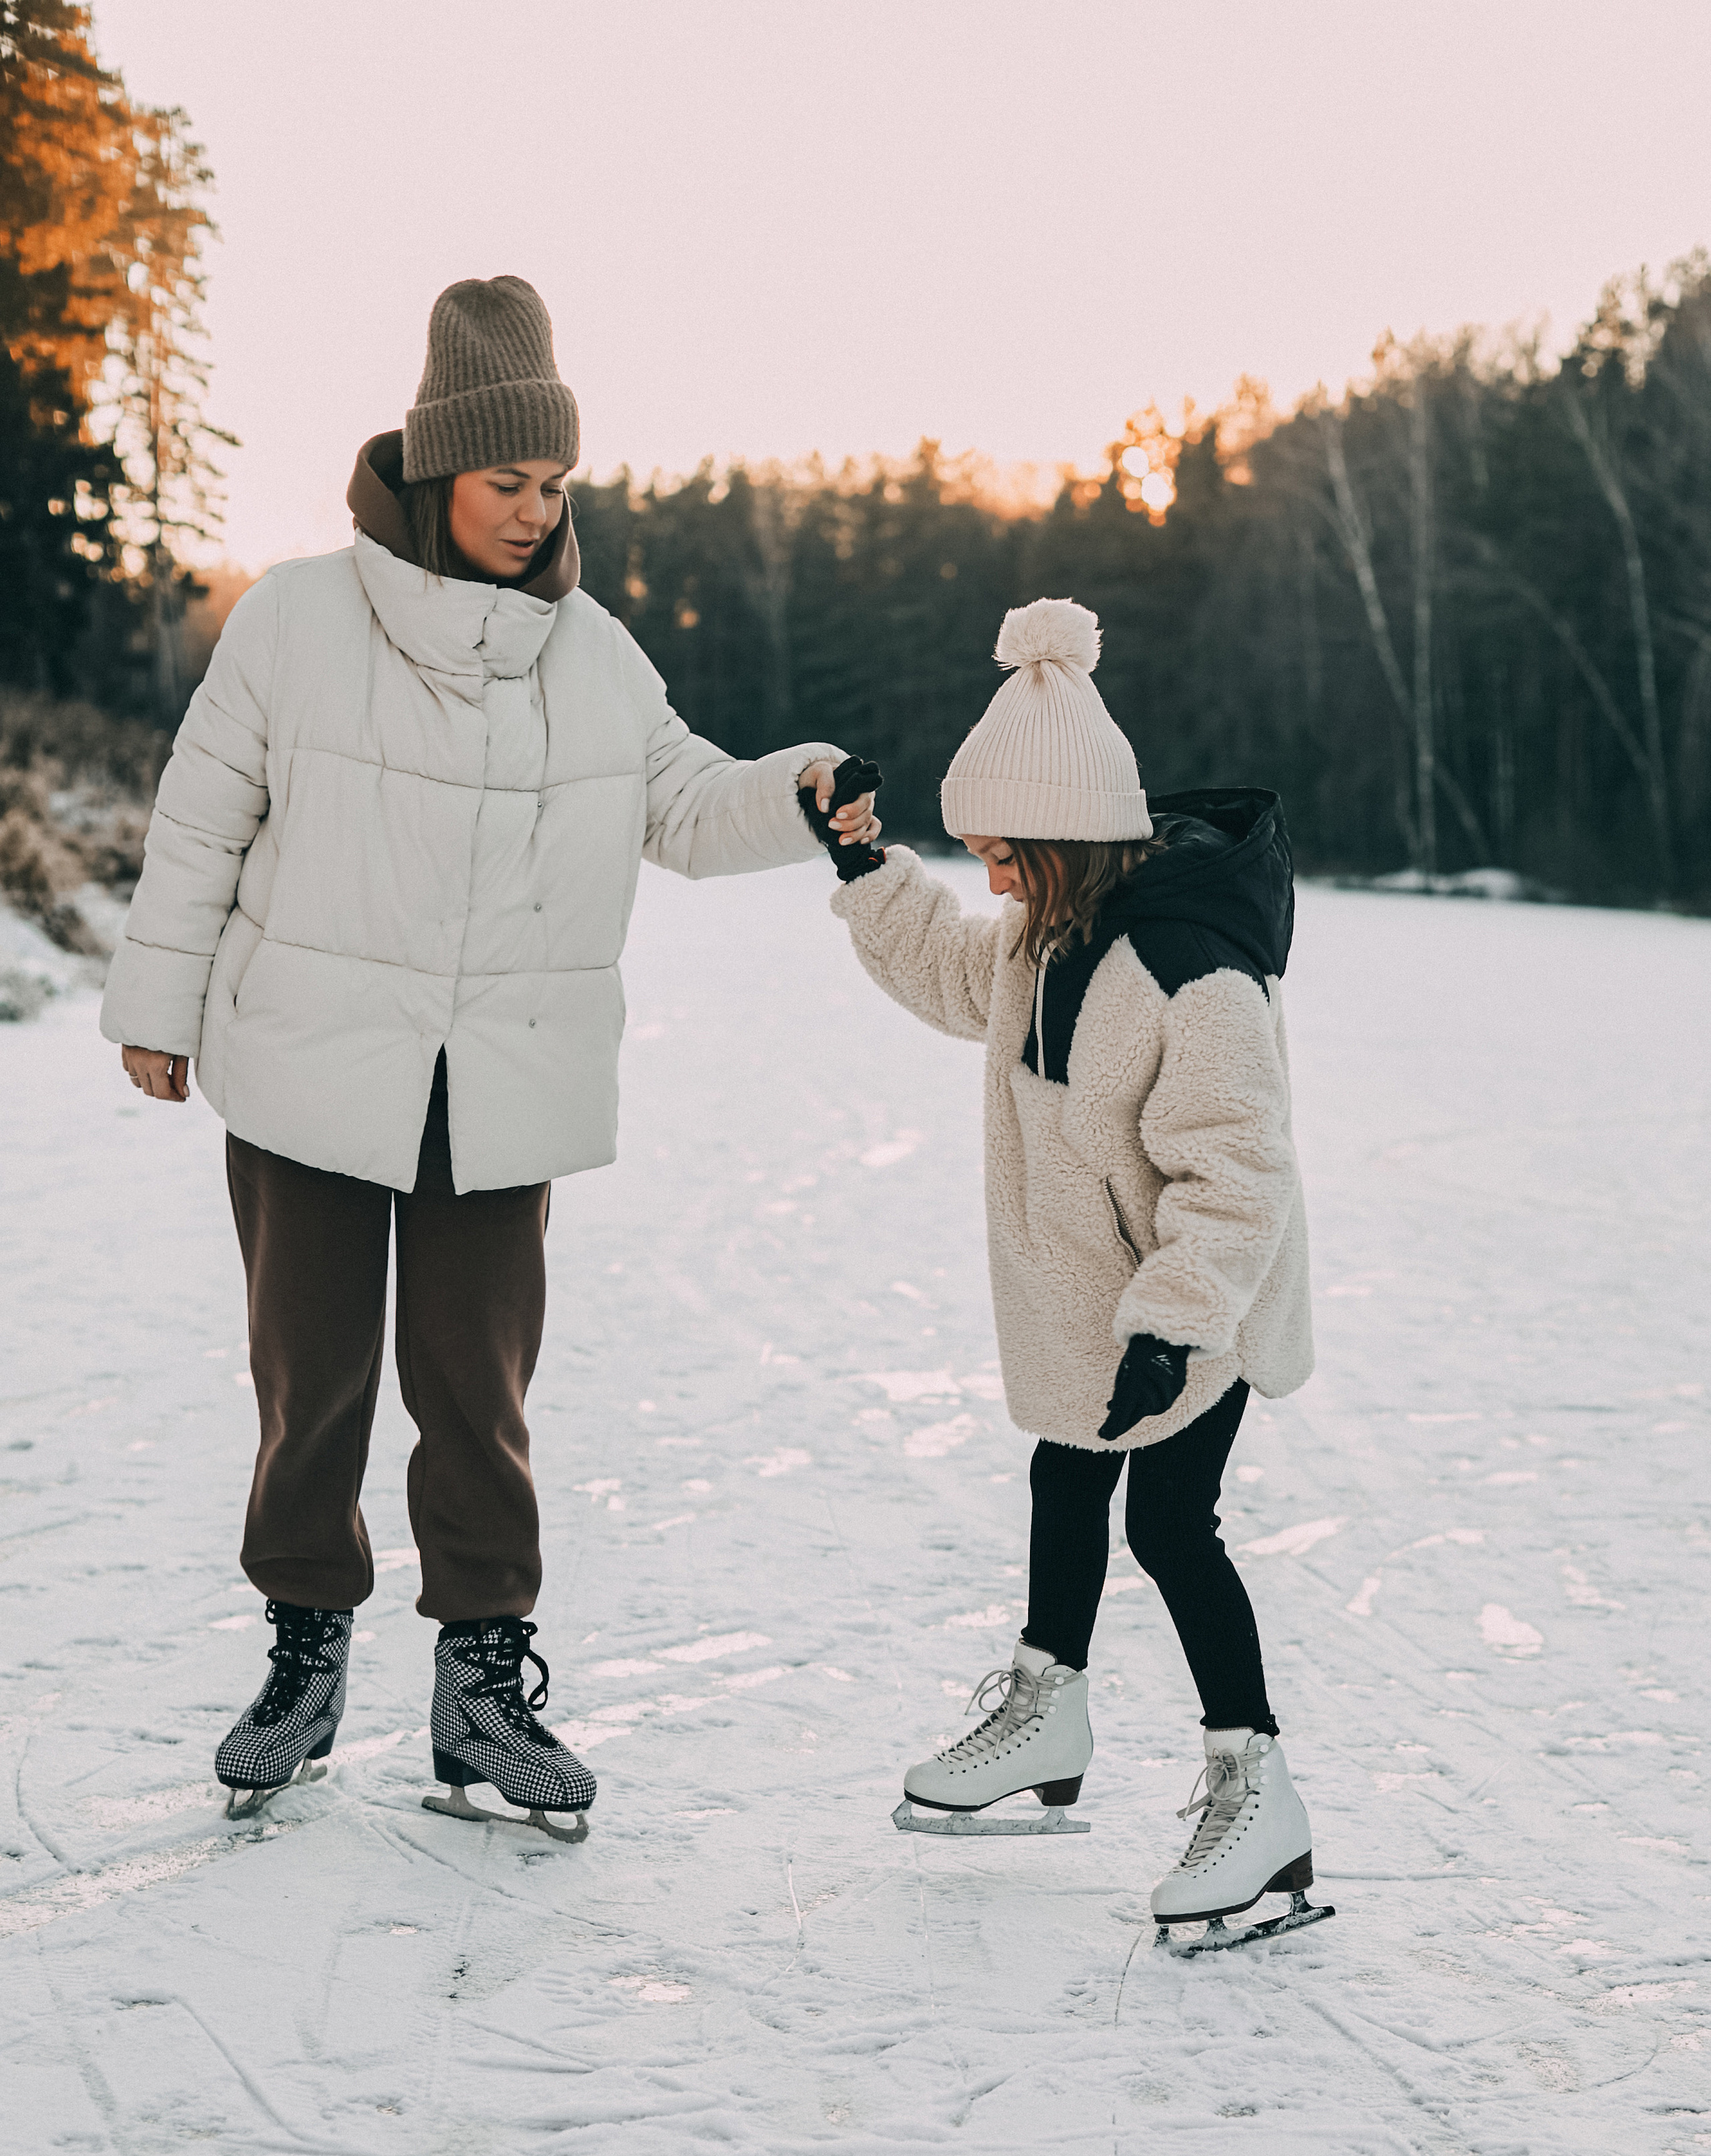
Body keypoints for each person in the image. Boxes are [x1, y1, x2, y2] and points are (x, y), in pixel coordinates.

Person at [100, 274, 880, 1835]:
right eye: (508, 482)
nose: (535, 513)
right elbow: (200, 821)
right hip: (310, 1064)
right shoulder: (299, 617)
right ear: (433, 468)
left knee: (476, 1390)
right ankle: (304, 1651)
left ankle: (481, 1684)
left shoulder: (591, 656)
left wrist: (794, 786)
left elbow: (681, 803)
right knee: (308, 1379)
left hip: (498, 1083)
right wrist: (154, 1007)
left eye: (555, 486)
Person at [825, 598, 1321, 1937]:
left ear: (1062, 837)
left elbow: (1238, 1177)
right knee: (1063, 1462)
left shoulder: (1188, 971)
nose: (986, 880)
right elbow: (953, 978)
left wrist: (1169, 1323)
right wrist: (868, 866)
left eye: (1000, 855)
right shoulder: (1052, 931)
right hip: (1099, 1305)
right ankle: (1047, 1713)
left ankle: (1256, 1800)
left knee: (1167, 1526)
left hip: (1190, 1302)